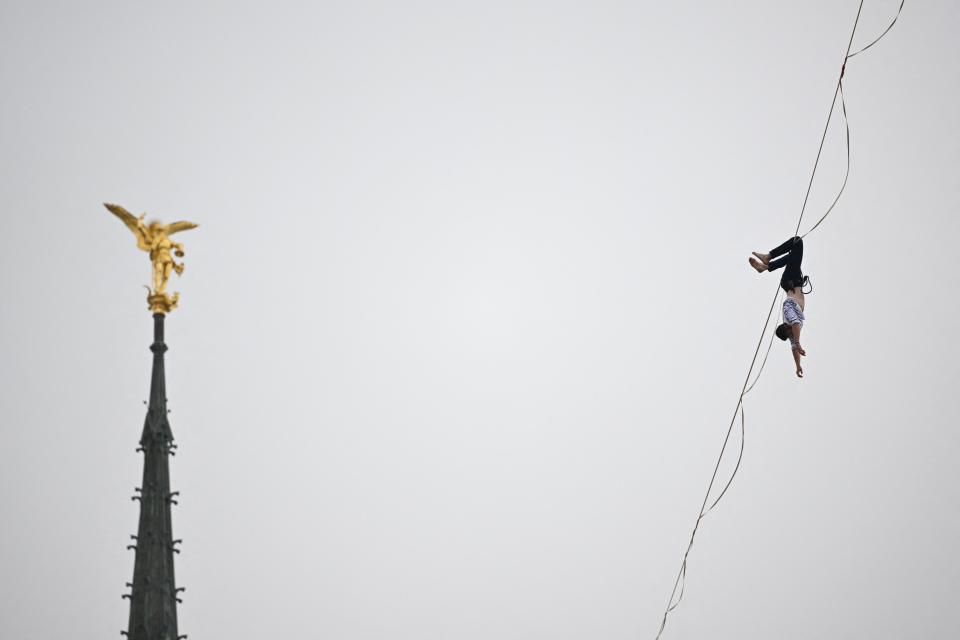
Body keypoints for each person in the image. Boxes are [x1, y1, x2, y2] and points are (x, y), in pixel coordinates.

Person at [748, 237, 808, 378]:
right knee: (792, 255)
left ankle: (768, 258)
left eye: (790, 334)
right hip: (794, 280)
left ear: (786, 328)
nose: (792, 336)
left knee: (797, 242)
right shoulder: (792, 333)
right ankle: (766, 267)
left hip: (791, 280)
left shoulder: (789, 315)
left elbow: (796, 324)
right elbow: (793, 348)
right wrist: (798, 365)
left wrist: (799, 343)